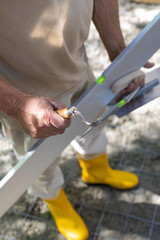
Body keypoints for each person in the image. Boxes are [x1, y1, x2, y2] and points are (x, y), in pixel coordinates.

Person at [0, 1, 153, 240]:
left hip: (76, 66)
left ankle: (96, 169)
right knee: (37, 157)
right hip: (21, 89)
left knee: (94, 121)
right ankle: (55, 200)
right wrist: (17, 103)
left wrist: (119, 52)